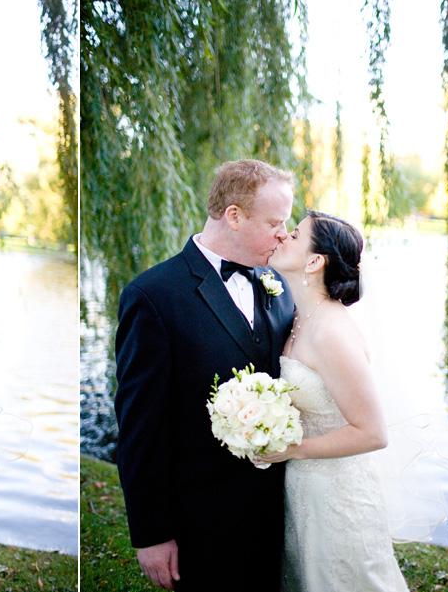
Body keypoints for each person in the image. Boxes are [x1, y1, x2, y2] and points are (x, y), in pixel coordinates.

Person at [115, 159, 296, 590]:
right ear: (234, 216)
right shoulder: (153, 295)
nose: (284, 235)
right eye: (275, 222)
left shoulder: (280, 283)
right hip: (205, 520)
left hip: (285, 512)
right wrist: (152, 533)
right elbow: (141, 428)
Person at [257, 209, 408, 591]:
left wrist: (293, 448)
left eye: (293, 235)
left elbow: (373, 433)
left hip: (340, 495)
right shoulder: (299, 318)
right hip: (307, 491)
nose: (281, 237)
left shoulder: (332, 334)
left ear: (314, 261)